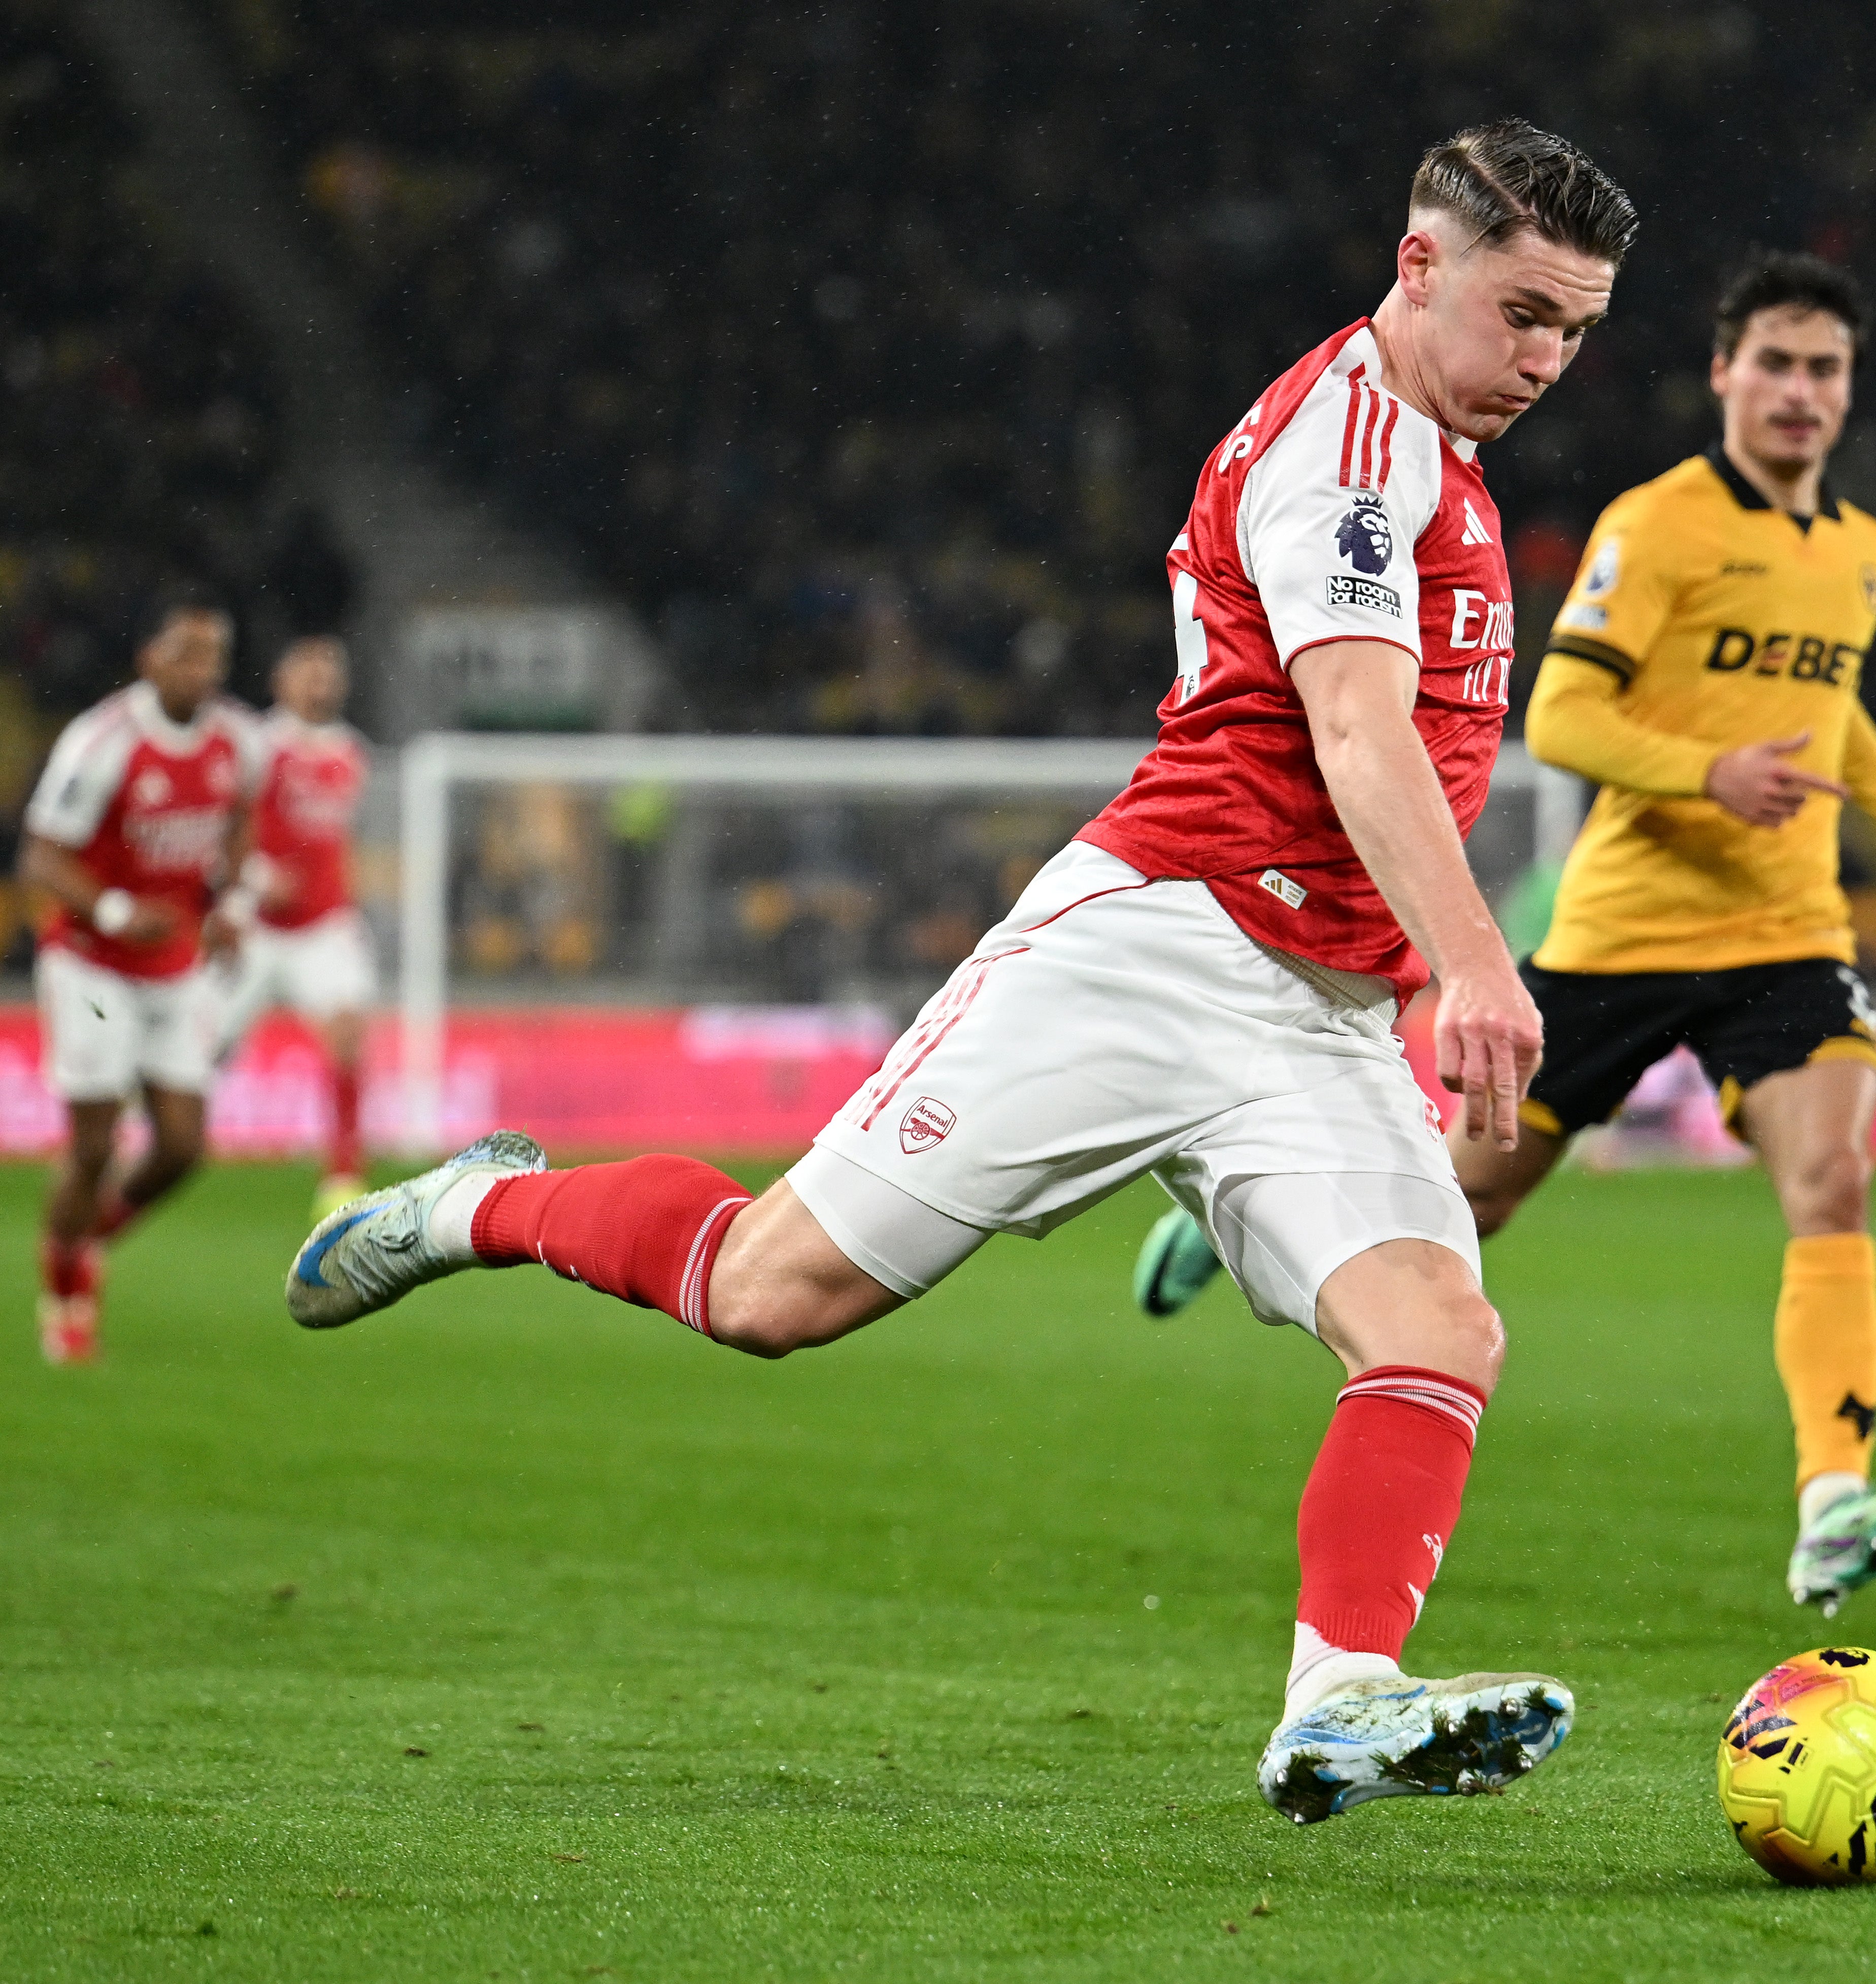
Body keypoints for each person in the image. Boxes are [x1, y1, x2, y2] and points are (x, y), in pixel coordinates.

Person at [285, 120, 1636, 1825]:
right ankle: (482, 1203)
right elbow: (1357, 732)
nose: (1547, 360)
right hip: (1158, 947)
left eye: (1575, 329)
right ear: (1419, 265)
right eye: (1525, 313)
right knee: (766, 1291)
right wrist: (1477, 965)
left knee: (1438, 1326)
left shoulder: (1437, 453)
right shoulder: (1349, 452)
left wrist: (1411, 969)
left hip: (1321, 1008)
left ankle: (1339, 1697)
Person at [1135, 253, 1876, 1618]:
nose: (1799, 391)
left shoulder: (1865, 549)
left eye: (1824, 368)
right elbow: (1564, 715)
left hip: (1785, 931)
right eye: (1775, 363)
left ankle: (1830, 1506)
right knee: (1471, 1197)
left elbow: (1830, 709)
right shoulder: (1657, 526)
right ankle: (1252, 1211)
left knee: (1832, 1181)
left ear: (1849, 389)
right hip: (1622, 933)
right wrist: (1706, 772)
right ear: (1723, 374)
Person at [24, 587, 261, 1364]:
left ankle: (86, 1239)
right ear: (149, 659)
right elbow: (40, 855)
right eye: (187, 654)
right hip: (91, 966)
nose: (204, 670)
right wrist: (117, 911)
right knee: (94, 1148)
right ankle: (65, 1290)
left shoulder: (238, 740)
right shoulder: (104, 741)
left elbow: (241, 819)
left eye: (215, 656)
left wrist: (231, 904)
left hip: (175, 964)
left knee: (184, 1145)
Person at [218, 636, 377, 1218]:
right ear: (281, 681)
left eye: (329, 673)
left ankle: (342, 1174)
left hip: (324, 926)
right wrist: (257, 879)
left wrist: (347, 898)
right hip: (254, 926)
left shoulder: (351, 752)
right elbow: (222, 827)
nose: (320, 684)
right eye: (309, 672)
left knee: (348, 1033)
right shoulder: (258, 746)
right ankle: (137, 1138)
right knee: (196, 1050)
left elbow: (340, 841)